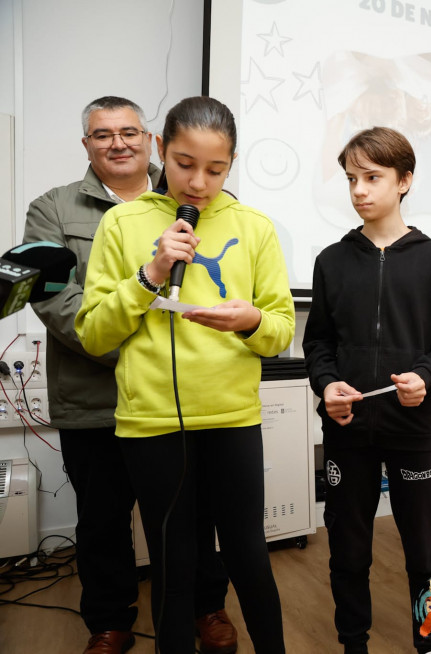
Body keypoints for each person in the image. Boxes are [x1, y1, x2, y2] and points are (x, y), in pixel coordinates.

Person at [75, 96, 293, 654]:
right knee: (173, 563)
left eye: (215, 169)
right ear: (159, 151)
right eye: (183, 163)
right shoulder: (122, 223)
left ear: (232, 162)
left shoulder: (255, 227)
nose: (198, 182)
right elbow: (95, 333)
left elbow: (280, 331)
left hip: (231, 417)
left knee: (247, 554)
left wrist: (249, 322)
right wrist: (150, 274)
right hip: (152, 423)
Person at [24, 96, 236, 654]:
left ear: (151, 141)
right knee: (102, 520)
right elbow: (55, 299)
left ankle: (204, 607)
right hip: (94, 396)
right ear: (87, 145)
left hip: (181, 397)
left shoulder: (198, 199)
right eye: (102, 134)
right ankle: (110, 620)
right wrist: (131, 352)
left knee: (195, 513)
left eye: (128, 132)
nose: (117, 143)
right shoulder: (52, 208)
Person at [303, 126, 431, 654]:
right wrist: (327, 385)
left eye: (372, 177)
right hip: (348, 432)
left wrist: (427, 377)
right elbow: (319, 344)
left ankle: (430, 641)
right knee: (348, 550)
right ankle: (353, 643)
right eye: (352, 178)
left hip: (416, 429)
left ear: (405, 181)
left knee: (426, 552)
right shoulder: (331, 260)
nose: (358, 190)